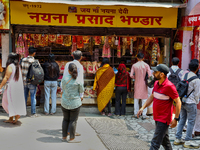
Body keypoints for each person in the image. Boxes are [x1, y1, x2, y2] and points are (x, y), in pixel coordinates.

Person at [137, 64, 181, 150]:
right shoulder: (156, 83)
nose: (153, 73)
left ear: (162, 74)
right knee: (165, 141)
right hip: (157, 117)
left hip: (164, 119)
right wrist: (143, 107)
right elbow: (152, 97)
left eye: (155, 72)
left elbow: (178, 102)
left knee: (155, 143)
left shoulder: (170, 86)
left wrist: (176, 119)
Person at [174, 60, 200, 149]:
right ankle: (188, 140)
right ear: (197, 68)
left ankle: (178, 138)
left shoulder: (185, 75)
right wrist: (196, 102)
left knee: (182, 120)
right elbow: (197, 94)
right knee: (191, 121)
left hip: (182, 101)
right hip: (191, 102)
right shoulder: (196, 79)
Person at [0, 53, 26, 124]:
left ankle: (16, 115)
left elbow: (6, 77)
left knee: (7, 101)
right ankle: (11, 117)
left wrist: (0, 86)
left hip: (11, 88)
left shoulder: (10, 66)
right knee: (12, 101)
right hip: (17, 88)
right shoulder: (17, 66)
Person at [61, 63, 84, 143]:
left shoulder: (64, 79)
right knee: (73, 120)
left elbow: (62, 88)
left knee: (65, 119)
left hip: (64, 102)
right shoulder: (78, 80)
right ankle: (71, 138)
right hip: (75, 103)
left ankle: (64, 137)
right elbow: (81, 90)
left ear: (68, 70)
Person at [130, 53, 151, 119]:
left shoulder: (134, 65)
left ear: (137, 58)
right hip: (144, 83)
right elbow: (150, 75)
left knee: (136, 99)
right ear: (143, 58)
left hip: (137, 83)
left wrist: (135, 77)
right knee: (144, 99)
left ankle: (136, 113)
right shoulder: (146, 65)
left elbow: (131, 75)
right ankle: (144, 114)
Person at [21, 47, 38, 117]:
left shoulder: (23, 60)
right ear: (34, 53)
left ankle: (23, 111)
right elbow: (37, 72)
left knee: (24, 96)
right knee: (33, 97)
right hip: (32, 82)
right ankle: (33, 113)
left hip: (24, 81)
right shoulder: (35, 61)